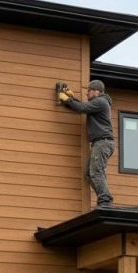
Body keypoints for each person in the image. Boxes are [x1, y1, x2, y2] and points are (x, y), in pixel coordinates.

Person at [58, 79, 115, 207]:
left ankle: (105, 200)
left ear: (96, 91)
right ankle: (104, 198)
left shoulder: (101, 101)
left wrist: (67, 99)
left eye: (88, 91)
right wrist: (71, 98)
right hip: (100, 143)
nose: (87, 93)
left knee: (96, 171)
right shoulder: (99, 103)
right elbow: (84, 107)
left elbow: (83, 108)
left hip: (102, 143)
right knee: (89, 174)